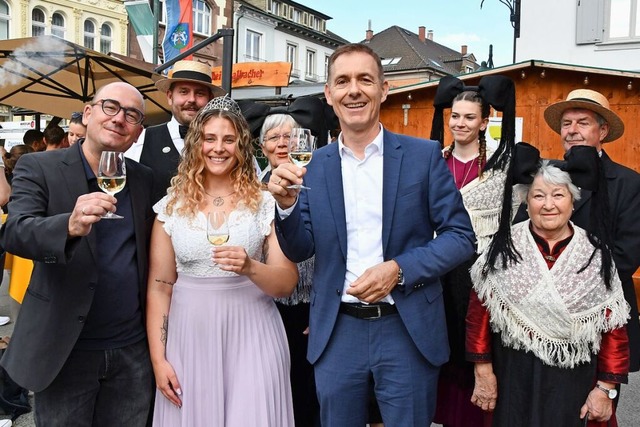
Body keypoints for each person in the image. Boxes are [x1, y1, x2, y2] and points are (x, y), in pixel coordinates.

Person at [267, 43, 476, 426]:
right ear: (329, 94)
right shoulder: (314, 165)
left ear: (384, 89)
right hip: (337, 331)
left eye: (365, 79)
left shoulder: (422, 156)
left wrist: (398, 269)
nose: (354, 90)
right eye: (342, 81)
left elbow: (461, 236)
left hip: (406, 329)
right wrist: (285, 207)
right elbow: (300, 248)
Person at [0, 82, 156, 426]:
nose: (119, 119)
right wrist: (67, 226)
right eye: (110, 107)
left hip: (131, 351)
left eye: (131, 115)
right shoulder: (39, 167)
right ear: (89, 113)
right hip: (65, 349)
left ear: (137, 132)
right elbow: (14, 233)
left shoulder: (144, 178)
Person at [146, 96, 298, 426]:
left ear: (241, 146)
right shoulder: (170, 207)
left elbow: (287, 283)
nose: (219, 148)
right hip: (190, 340)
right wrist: (159, 360)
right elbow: (160, 287)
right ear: (196, 144)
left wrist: (250, 267)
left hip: (254, 336)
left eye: (229, 139)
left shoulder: (263, 202)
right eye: (210, 139)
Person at [467, 145, 630, 426]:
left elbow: (613, 328)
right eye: (538, 196)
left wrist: (605, 389)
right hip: (513, 376)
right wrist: (483, 372)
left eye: (558, 195)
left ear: (572, 201)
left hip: (573, 380)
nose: (548, 204)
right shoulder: (501, 248)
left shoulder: (596, 254)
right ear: (526, 202)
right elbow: (479, 314)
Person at [429, 75, 517, 427]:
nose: (459, 123)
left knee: (474, 358)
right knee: (441, 352)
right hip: (435, 273)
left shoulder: (502, 169)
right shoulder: (432, 162)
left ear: (484, 123)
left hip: (479, 279)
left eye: (468, 117)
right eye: (455, 116)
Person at [242, 97, 329, 426]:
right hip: (266, 305)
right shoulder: (249, 186)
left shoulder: (319, 181)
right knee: (273, 391)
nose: (282, 143)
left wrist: (321, 310)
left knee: (310, 394)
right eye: (273, 137)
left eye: (290, 136)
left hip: (311, 304)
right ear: (261, 146)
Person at [126, 60, 224, 203]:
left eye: (200, 93)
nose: (191, 99)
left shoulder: (226, 144)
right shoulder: (143, 138)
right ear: (170, 97)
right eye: (184, 92)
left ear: (210, 99)